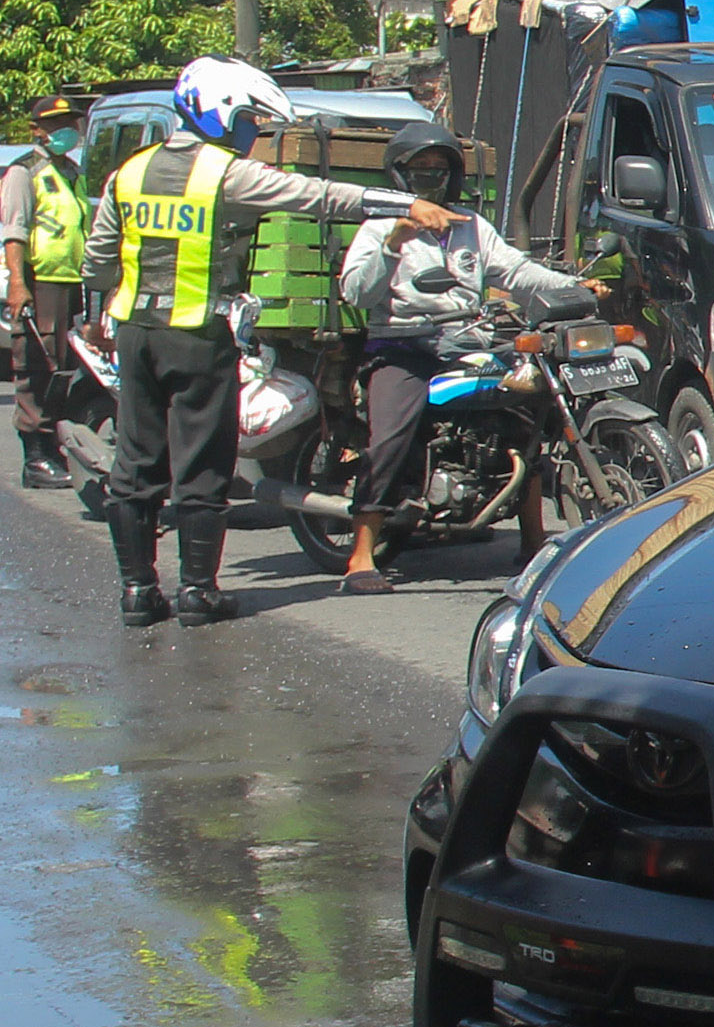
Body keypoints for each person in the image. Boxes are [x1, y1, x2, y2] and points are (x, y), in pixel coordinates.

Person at [78, 58, 453, 627]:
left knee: (136, 461)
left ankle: (137, 591)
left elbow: (98, 259)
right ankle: (198, 592)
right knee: (203, 463)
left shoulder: (128, 173)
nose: (254, 132)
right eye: (250, 119)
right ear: (221, 113)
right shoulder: (224, 175)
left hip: (136, 334)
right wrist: (406, 205)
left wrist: (98, 314)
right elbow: (316, 195)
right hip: (198, 337)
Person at [335, 118, 577, 590]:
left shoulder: (472, 226)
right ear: (400, 173)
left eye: (439, 167)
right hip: (404, 346)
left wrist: (574, 286)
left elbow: (517, 271)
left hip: (467, 342)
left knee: (527, 412)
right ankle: (361, 557)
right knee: (390, 435)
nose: (431, 175)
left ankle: (532, 543)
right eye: (420, 167)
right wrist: (394, 244)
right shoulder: (380, 225)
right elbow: (356, 294)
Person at [6, 96, 87, 488]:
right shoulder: (26, 172)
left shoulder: (71, 170)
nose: (63, 131)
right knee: (37, 367)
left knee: (64, 368)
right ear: (36, 130)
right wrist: (17, 284)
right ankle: (35, 458)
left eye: (68, 123)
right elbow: (15, 232)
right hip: (41, 281)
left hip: (70, 280)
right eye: (53, 126)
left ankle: (56, 449)